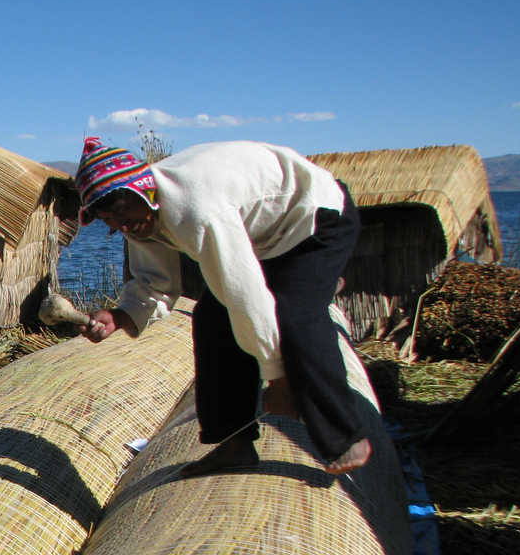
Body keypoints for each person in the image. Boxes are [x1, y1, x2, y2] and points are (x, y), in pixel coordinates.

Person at [73, 137, 372, 477]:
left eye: (123, 210)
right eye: (108, 218)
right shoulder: (138, 216)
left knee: (297, 315)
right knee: (212, 319)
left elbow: (245, 297)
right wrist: (120, 316)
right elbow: (155, 282)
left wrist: (277, 378)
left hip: (313, 218)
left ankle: (346, 438)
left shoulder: (196, 211)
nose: (120, 224)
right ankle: (234, 444)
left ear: (144, 191)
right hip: (262, 236)